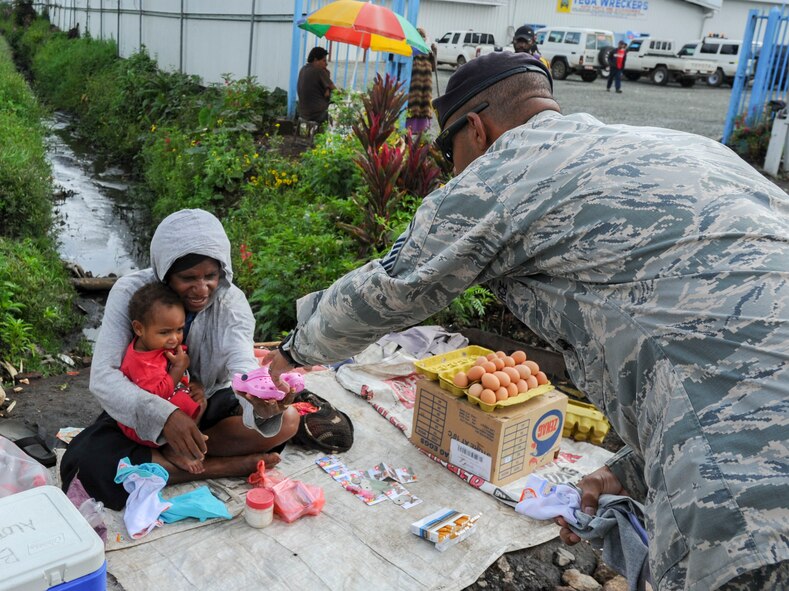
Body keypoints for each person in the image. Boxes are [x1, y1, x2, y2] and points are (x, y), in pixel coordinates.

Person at [265, 51, 789, 590]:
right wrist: (629, 470)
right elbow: (706, 336)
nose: (453, 168)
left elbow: (391, 288)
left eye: (449, 152)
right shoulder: (687, 148)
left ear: (475, 130)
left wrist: (290, 353)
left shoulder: (506, 170)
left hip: (748, 484)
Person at [61, 209, 300, 510]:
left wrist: (259, 401)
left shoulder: (231, 303)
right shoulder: (132, 294)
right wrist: (164, 416)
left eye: (211, 276)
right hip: (144, 404)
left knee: (287, 421)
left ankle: (177, 457)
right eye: (188, 278)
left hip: (204, 403)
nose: (202, 289)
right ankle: (216, 466)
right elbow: (104, 377)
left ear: (222, 272)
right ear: (164, 273)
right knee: (82, 465)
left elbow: (242, 363)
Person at [118, 282, 206, 475]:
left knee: (199, 401)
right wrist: (179, 368)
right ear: (139, 329)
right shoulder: (141, 361)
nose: (174, 338)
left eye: (179, 330)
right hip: (142, 422)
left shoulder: (156, 346)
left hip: (163, 403)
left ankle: (186, 439)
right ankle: (171, 448)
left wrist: (190, 381)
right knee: (189, 405)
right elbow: (154, 397)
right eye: (165, 332)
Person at [405, 28, 436, 134]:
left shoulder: (420, 48)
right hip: (421, 82)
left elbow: (433, 67)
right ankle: (418, 129)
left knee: (418, 103)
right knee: (420, 104)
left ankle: (414, 128)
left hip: (420, 82)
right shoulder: (421, 48)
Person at [297, 46, 337, 126]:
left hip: (303, 113)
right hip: (317, 115)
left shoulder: (303, 69)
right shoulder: (318, 70)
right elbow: (336, 91)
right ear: (315, 60)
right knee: (341, 111)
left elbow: (326, 92)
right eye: (324, 61)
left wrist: (327, 89)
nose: (326, 64)